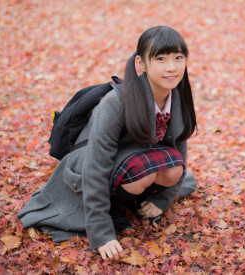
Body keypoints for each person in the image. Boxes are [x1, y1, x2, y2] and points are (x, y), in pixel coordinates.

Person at [18, 26, 198, 261]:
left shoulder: (177, 95)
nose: (171, 67)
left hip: (131, 159)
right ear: (141, 64)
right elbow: (96, 165)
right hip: (92, 162)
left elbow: (179, 147)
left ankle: (133, 198)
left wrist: (161, 201)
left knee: (175, 169)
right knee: (142, 172)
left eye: (178, 57)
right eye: (161, 58)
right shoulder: (116, 103)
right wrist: (102, 232)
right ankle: (113, 204)